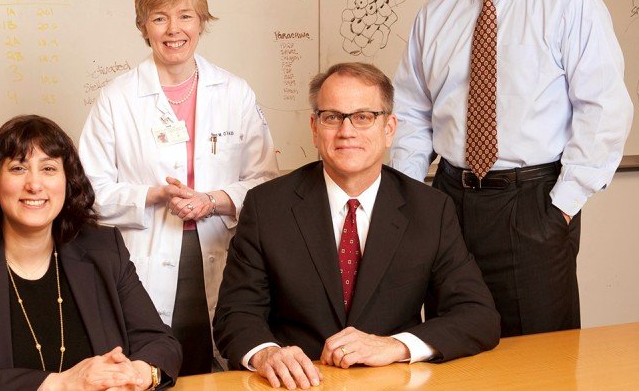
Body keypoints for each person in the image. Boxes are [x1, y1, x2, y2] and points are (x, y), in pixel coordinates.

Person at [391, 0, 633, 337]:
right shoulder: (434, 15)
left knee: (541, 358)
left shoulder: (569, 3)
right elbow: (411, 115)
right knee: (450, 344)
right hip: (448, 204)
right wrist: (413, 201)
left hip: (533, 204)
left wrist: (562, 205)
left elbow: (604, 109)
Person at [213, 63, 500, 390]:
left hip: (391, 382)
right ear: (315, 128)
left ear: (389, 128)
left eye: (363, 117)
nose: (346, 131)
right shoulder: (267, 206)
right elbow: (235, 315)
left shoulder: (430, 209)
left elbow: (478, 315)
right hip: (298, 383)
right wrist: (267, 354)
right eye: (332, 117)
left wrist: (395, 346)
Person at [79, 0, 278, 375]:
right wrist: (153, 195)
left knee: (217, 369)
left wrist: (212, 201)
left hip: (223, 251)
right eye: (159, 18)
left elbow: (265, 182)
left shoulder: (234, 91)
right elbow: (86, 192)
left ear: (202, 21)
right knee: (152, 369)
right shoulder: (117, 98)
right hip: (144, 257)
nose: (174, 29)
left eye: (185, 16)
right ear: (143, 27)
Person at [0, 115, 181, 390]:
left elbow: (160, 342)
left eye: (49, 168)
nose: (34, 184)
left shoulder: (104, 249)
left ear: (68, 181)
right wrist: (60, 384)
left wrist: (134, 375)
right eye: (18, 168)